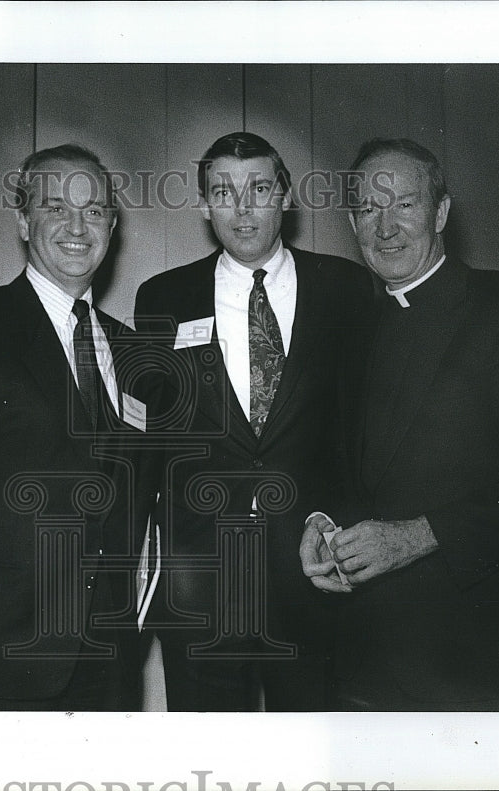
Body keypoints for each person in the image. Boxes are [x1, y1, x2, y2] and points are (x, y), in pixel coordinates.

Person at [299, 138, 499, 710]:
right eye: (369, 210)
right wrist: (320, 523)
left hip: (479, 656)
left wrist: (417, 534)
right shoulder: (353, 332)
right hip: (366, 661)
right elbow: (341, 469)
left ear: (441, 212)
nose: (386, 227)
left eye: (404, 204)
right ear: (352, 223)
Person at [0, 144, 158, 711]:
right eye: (55, 207)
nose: (76, 226)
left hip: (110, 658)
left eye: (94, 212)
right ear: (22, 220)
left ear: (111, 226)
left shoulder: (135, 351)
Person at [134, 132, 370, 711]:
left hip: (316, 576)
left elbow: (365, 432)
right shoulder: (162, 297)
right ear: (204, 205)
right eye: (224, 191)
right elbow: (150, 445)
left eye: (259, 188)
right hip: (201, 590)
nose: (243, 208)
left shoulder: (346, 289)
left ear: (286, 196)